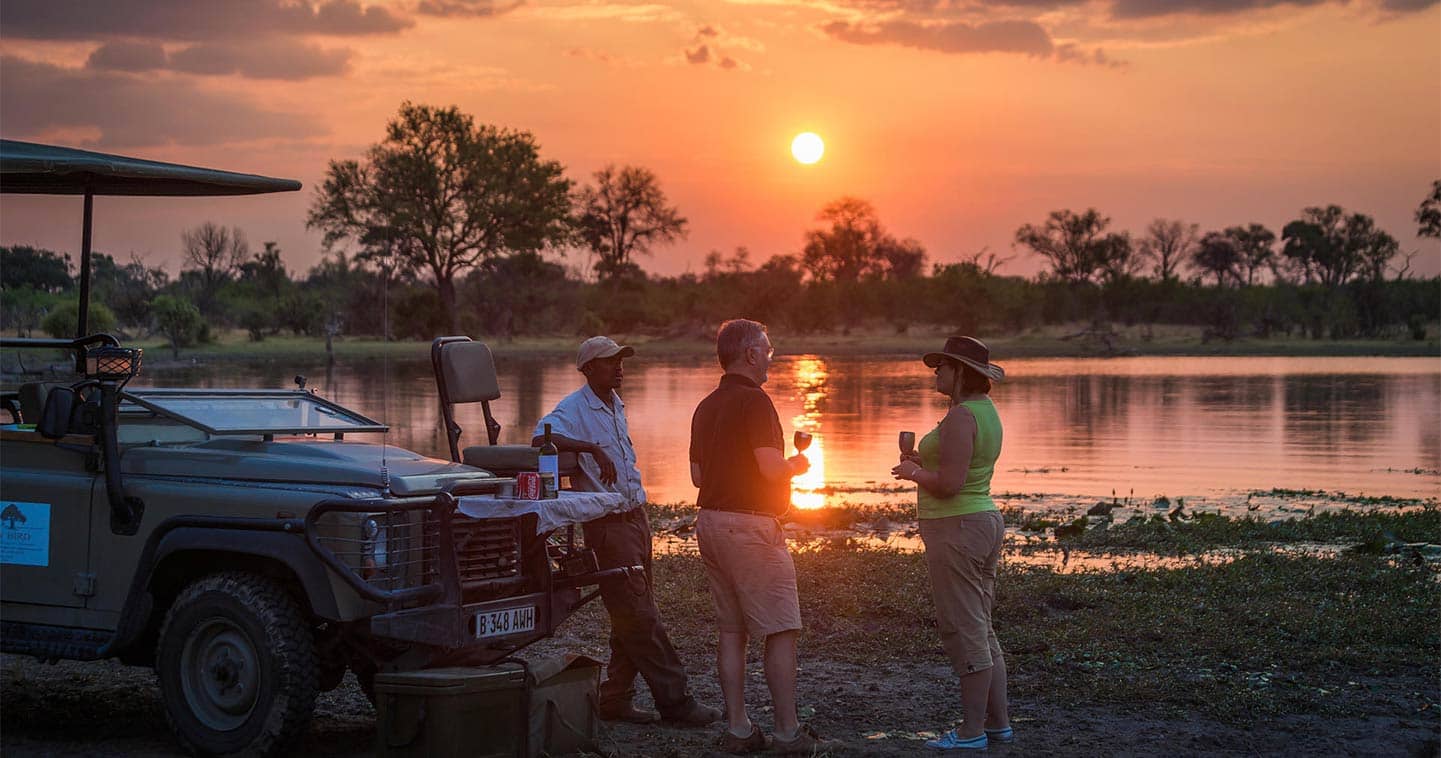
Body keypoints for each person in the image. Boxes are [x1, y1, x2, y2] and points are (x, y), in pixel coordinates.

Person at [533, 336, 720, 726]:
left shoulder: (615, 403)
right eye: (609, 361)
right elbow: (540, 436)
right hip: (608, 526)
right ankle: (677, 702)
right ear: (588, 369)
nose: (619, 367)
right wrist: (591, 449)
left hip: (635, 517)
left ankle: (615, 698)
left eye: (620, 360)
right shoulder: (573, 407)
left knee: (630, 612)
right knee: (639, 615)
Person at [689, 319, 837, 755]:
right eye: (768, 350)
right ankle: (788, 734)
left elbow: (698, 476)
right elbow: (771, 469)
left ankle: (738, 729)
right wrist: (795, 466)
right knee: (781, 629)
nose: (772, 357)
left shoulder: (705, 405)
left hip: (710, 524)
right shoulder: (756, 402)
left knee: (732, 631)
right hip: (750, 528)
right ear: (750, 355)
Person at [891, 335, 1012, 752]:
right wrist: (926, 466)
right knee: (981, 626)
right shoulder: (984, 412)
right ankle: (997, 725)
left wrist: (912, 474)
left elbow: (949, 485)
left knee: (963, 628)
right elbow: (964, 469)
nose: (936, 372)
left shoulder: (962, 416)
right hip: (979, 521)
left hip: (958, 526)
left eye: (942, 366)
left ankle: (971, 731)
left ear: (961, 371)